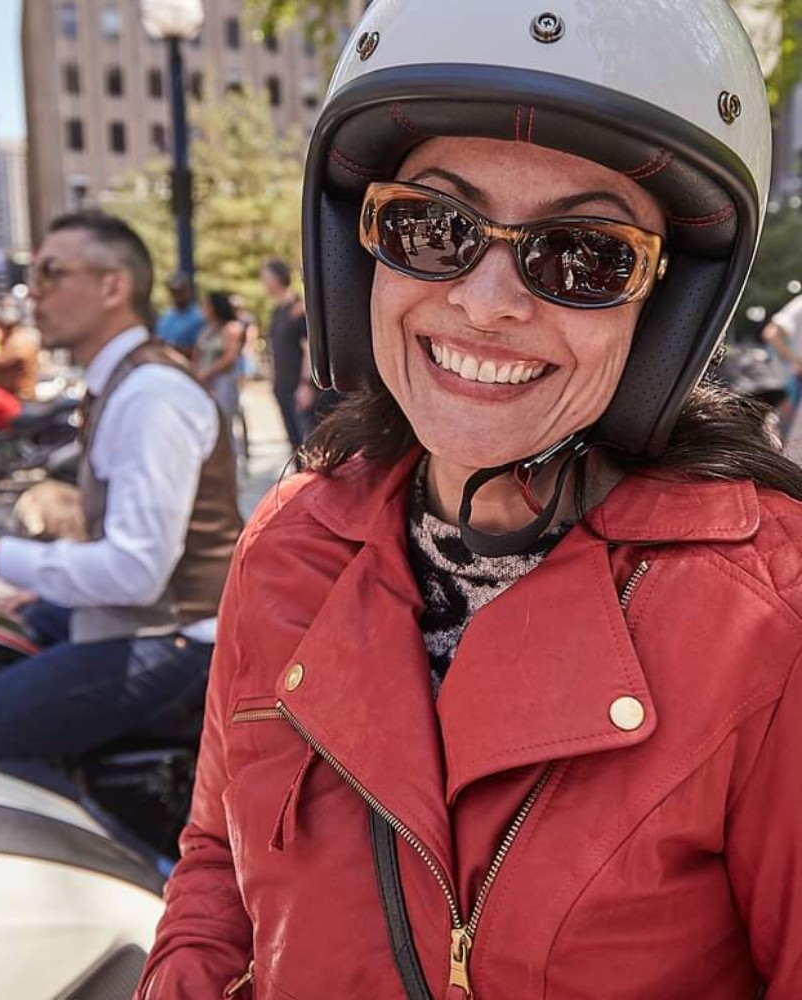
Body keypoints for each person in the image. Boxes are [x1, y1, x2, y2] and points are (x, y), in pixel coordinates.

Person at [138, 3, 802, 998]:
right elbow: (215, 862)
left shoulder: (770, 615)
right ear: (360, 253)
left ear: (664, 308)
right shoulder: (291, 538)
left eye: (584, 255)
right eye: (432, 227)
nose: (486, 302)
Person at [0, 211, 243, 800]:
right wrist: (47, 591)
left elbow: (136, 570)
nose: (34, 292)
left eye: (51, 273)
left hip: (180, 641)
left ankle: (111, 854)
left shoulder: (150, 394)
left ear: (113, 286)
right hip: (149, 621)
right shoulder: (122, 381)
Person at [260, 259, 317, 454]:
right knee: (294, 444)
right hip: (282, 386)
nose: (264, 283)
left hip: (298, 387)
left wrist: (306, 384)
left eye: (266, 278)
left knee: (306, 443)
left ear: (277, 278)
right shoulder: (277, 311)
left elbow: (308, 349)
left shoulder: (298, 309)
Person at [193, 291, 244, 427]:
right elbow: (198, 353)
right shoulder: (207, 330)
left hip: (223, 382)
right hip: (205, 382)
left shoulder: (231, 328)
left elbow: (229, 357)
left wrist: (208, 372)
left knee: (224, 422)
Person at [761, 293, 802, 431]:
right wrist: (796, 361)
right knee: (778, 430)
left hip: (792, 381)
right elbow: (772, 334)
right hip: (787, 381)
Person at [0, 308, 40, 401]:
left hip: (19, 395)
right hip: (8, 394)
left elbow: (5, 360)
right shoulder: (9, 340)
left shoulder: (17, 340)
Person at [156, 272, 206, 360]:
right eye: (173, 291)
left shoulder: (199, 317)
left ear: (188, 291)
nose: (176, 295)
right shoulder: (166, 316)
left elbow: (201, 350)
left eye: (180, 291)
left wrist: (172, 348)